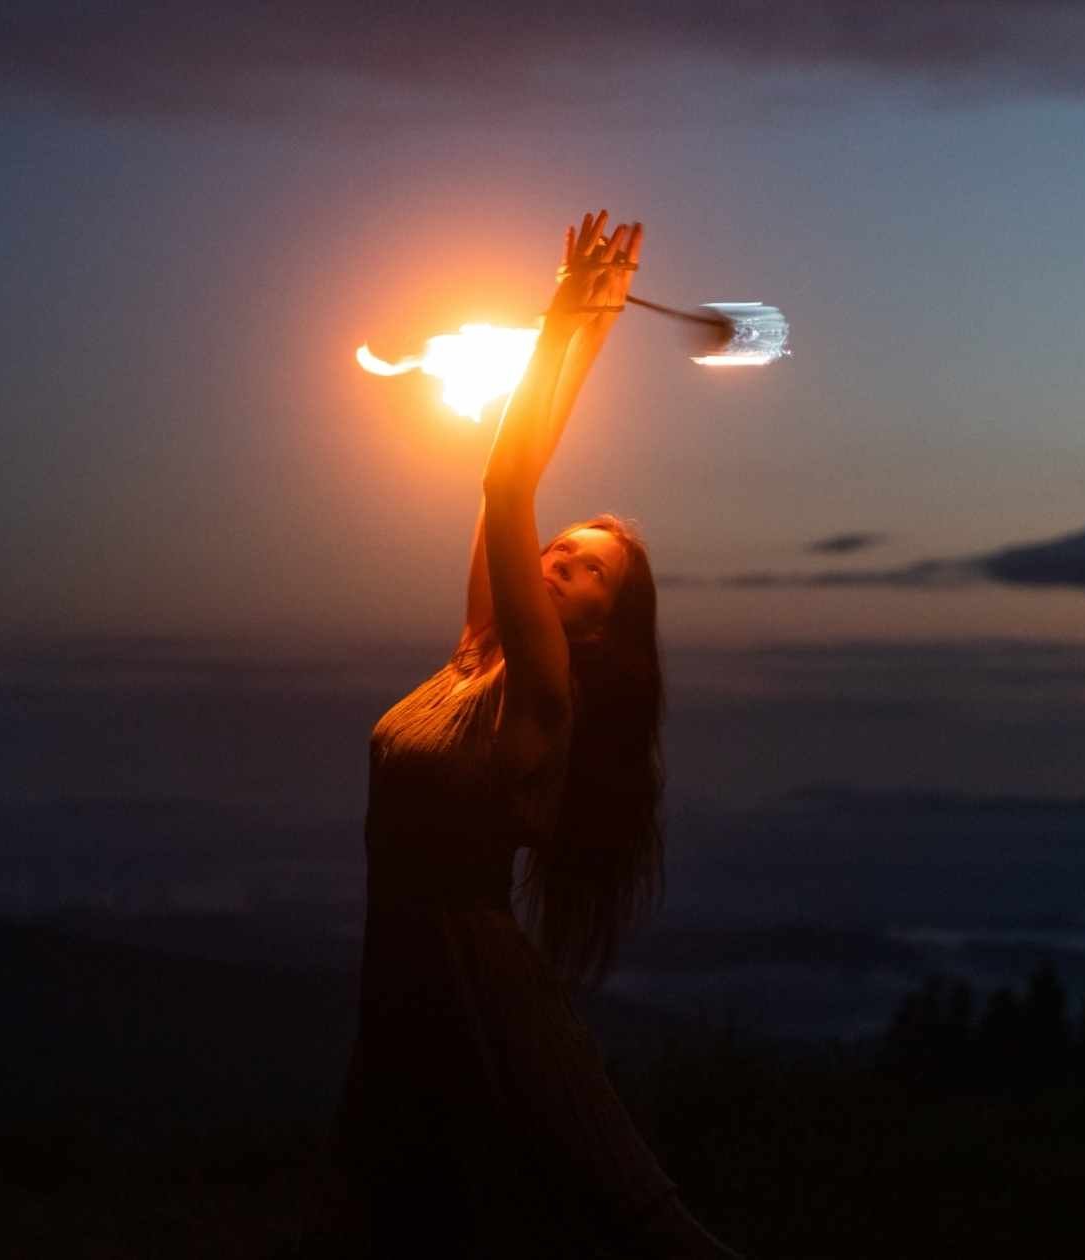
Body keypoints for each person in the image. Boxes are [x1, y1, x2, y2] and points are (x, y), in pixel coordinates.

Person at [330, 212, 744, 1258]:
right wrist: (583, 319)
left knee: (617, 1217)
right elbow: (508, 476)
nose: (555, 557)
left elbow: (506, 482)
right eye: (556, 548)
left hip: (471, 984)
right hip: (402, 972)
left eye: (587, 567)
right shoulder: (479, 653)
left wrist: (569, 320)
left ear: (603, 623)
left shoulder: (546, 695)